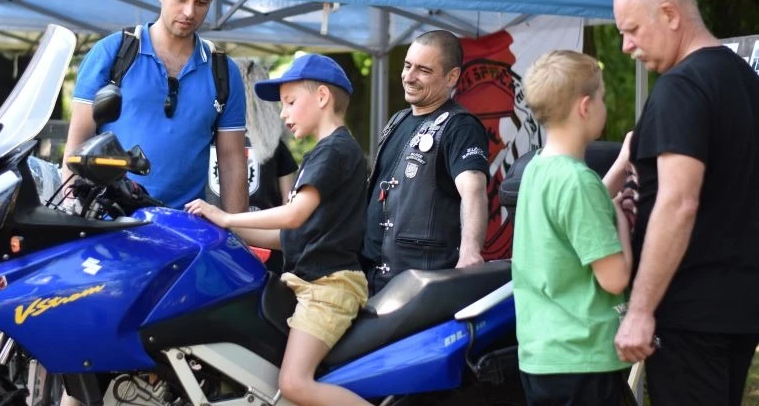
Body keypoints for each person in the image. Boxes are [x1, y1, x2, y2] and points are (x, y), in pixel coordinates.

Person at [186, 54, 370, 406]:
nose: (282, 113)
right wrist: (225, 232)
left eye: (289, 103)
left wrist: (227, 217)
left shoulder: (334, 151)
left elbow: (293, 215)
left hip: (328, 287)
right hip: (309, 283)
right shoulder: (324, 153)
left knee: (294, 384)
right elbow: (289, 237)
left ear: (321, 97)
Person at [612, 0, 759, 406]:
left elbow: (678, 202)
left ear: (670, 15)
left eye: (633, 30)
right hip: (739, 309)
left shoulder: (682, 86)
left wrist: (639, 312)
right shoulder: (746, 81)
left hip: (690, 318)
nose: (626, 46)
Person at [64, 0, 247, 213]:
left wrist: (237, 232)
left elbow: (232, 161)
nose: (189, 11)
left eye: (201, 2)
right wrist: (74, 210)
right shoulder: (114, 51)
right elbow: (77, 144)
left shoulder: (223, 70)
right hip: (110, 219)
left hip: (185, 227)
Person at [512, 50, 633, 405]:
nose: (604, 107)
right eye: (602, 98)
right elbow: (615, 278)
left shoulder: (538, 168)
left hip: (542, 355)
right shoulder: (578, 182)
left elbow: (578, 205)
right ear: (585, 107)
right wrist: (621, 222)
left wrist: (623, 165)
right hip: (582, 359)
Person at [362, 30, 490, 294]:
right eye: (408, 65)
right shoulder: (397, 120)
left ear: (451, 77)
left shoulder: (460, 126)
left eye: (423, 70)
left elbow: (473, 190)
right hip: (373, 281)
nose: (409, 76)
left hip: (419, 286)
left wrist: (469, 252)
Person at [205, 58, 298, 273]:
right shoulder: (276, 146)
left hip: (213, 242)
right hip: (266, 249)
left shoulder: (207, 139)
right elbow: (289, 204)